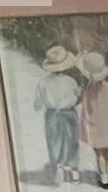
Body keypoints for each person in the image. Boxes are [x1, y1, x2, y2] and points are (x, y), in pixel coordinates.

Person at [76, 50, 108, 189]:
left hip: (95, 124)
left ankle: (104, 178)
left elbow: (83, 105)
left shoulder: (87, 90)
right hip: (107, 121)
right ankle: (105, 173)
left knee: (98, 152)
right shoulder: (107, 86)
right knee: (105, 150)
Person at [33, 45, 82, 184]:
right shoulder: (71, 81)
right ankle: (74, 172)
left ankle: (59, 169)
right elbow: (77, 97)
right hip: (69, 113)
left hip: (52, 115)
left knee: (54, 142)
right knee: (71, 141)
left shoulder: (43, 83)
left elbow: (37, 105)